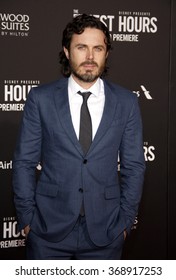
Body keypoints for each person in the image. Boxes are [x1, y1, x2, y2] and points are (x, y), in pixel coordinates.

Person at [12, 14, 145, 260]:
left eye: (98, 48)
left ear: (107, 53)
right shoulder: (41, 99)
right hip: (47, 231)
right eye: (81, 47)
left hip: (107, 232)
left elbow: (134, 166)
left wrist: (125, 221)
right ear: (66, 50)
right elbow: (24, 163)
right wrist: (27, 218)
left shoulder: (126, 102)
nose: (90, 57)